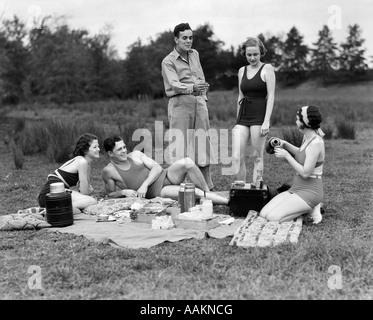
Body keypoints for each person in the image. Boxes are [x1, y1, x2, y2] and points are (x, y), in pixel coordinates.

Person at [161, 22, 214, 190]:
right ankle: (179, 187)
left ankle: (207, 185)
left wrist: (203, 96)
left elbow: (200, 76)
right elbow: (174, 85)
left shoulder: (195, 54)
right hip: (179, 104)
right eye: (184, 38)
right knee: (180, 146)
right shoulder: (168, 61)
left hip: (199, 102)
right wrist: (193, 88)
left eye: (191, 37)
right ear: (176, 39)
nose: (188, 41)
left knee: (203, 143)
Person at [101, 135, 228, 205]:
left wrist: (144, 184)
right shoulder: (109, 171)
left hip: (166, 175)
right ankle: (228, 202)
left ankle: (208, 195)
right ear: (110, 154)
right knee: (194, 192)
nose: (124, 151)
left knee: (187, 162)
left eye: (124, 147)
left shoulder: (135, 154)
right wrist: (124, 192)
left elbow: (157, 167)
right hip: (159, 191)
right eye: (119, 149)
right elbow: (110, 195)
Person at [260, 105, 325, 223]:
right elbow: (301, 153)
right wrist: (284, 144)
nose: (296, 121)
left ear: (304, 122)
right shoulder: (307, 137)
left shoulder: (316, 143)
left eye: (297, 119)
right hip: (297, 187)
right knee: (263, 214)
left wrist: (287, 156)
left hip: (311, 191)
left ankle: (311, 208)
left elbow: (305, 173)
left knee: (273, 218)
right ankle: (304, 209)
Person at [232, 37, 276, 184]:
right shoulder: (241, 71)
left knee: (257, 156)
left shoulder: (267, 69)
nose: (252, 58)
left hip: (259, 116)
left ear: (261, 52)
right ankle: (241, 189)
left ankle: (256, 189)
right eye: (249, 54)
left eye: (255, 54)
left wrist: (266, 121)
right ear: (244, 53)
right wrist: (237, 120)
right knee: (237, 156)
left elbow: (271, 96)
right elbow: (240, 95)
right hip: (243, 116)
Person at [38, 133, 99, 210]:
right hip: (50, 194)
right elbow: (85, 192)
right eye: (95, 147)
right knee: (91, 201)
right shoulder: (82, 162)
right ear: (85, 150)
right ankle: (52, 210)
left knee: (86, 202)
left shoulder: (85, 163)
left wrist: (88, 191)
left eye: (98, 146)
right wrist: (90, 191)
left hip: (57, 192)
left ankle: (55, 209)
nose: (98, 149)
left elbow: (83, 189)